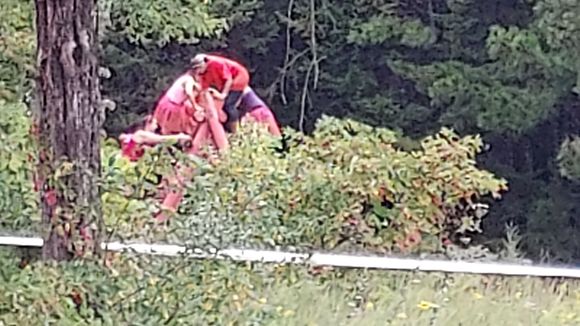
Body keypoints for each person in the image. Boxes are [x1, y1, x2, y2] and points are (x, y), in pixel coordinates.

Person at [190, 53, 250, 132]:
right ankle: (227, 128)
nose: (198, 71)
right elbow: (203, 89)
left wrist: (223, 95)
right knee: (219, 103)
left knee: (228, 105)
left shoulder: (216, 63)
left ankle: (235, 130)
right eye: (195, 69)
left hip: (238, 78)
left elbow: (229, 79)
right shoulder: (203, 74)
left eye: (199, 68)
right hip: (225, 82)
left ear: (204, 64)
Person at [119, 115, 191, 162]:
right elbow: (161, 139)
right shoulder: (140, 134)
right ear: (148, 123)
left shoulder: (139, 137)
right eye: (155, 124)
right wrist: (179, 137)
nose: (156, 127)